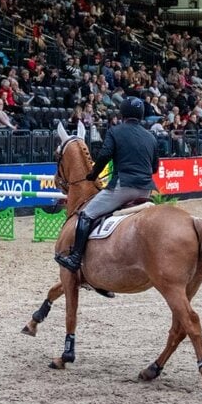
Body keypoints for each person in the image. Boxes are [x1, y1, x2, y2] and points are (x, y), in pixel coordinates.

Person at [55, 96, 158, 278]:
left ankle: (75, 258)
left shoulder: (115, 131)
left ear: (123, 113)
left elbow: (104, 155)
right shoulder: (150, 136)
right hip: (146, 190)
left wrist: (93, 175)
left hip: (123, 187)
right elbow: (155, 167)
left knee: (86, 214)